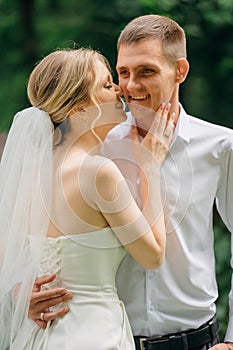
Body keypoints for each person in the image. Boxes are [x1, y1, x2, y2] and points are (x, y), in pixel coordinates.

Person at [28, 14, 233, 350]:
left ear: (179, 71)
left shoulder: (221, 146)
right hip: (109, 338)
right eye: (122, 73)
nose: (130, 86)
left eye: (146, 72)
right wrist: (25, 293)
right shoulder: (93, 146)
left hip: (197, 342)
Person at [0, 47, 175, 349]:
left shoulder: (32, 175)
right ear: (79, 110)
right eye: (107, 85)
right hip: (94, 333)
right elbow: (153, 255)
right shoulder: (98, 172)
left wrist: (19, 291)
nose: (120, 89)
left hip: (38, 335)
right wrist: (150, 167)